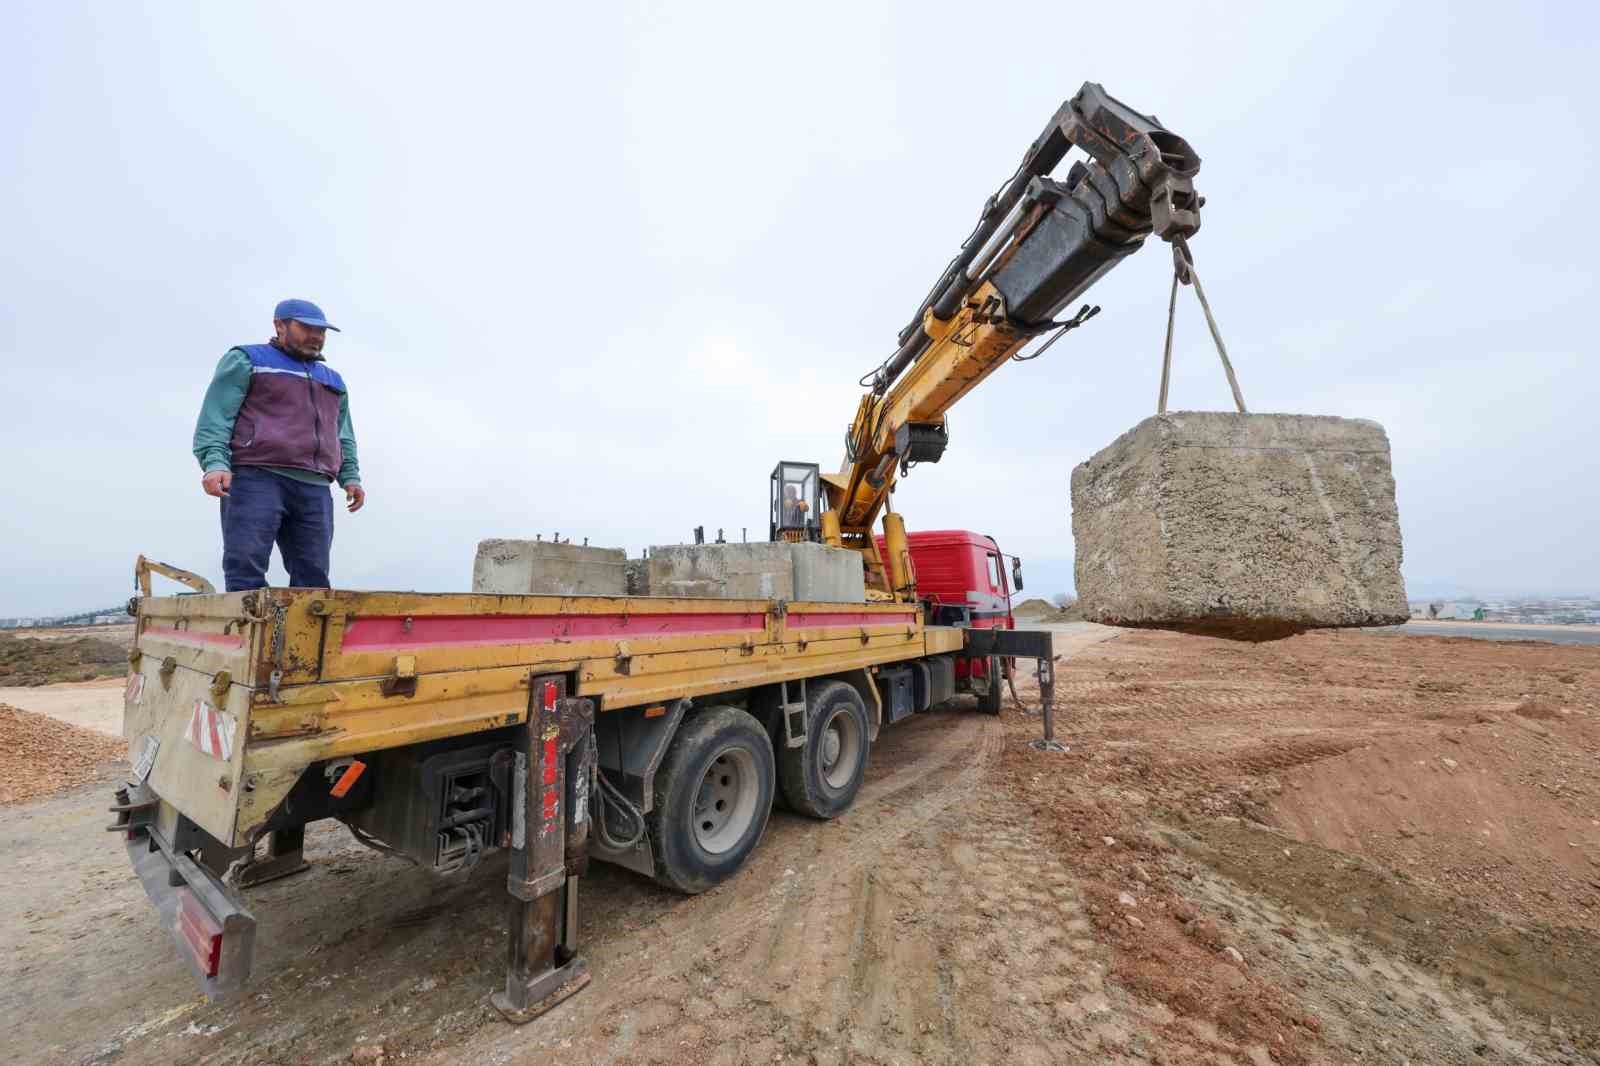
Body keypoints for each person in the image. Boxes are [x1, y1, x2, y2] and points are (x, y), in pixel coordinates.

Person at [192, 299, 366, 591]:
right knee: (245, 566)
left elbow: (342, 433)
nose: (316, 336)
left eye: (321, 332)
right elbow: (217, 415)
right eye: (306, 328)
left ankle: (304, 638)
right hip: (255, 477)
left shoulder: (333, 380)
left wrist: (351, 476)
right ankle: (247, 637)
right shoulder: (247, 360)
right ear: (279, 325)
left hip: (314, 486)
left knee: (313, 576)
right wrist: (215, 463)